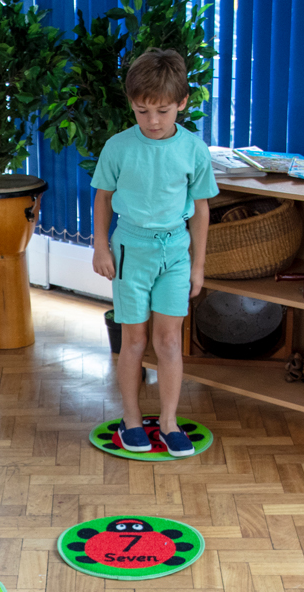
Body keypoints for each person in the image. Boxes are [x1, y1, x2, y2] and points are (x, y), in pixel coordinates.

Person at [91, 48, 218, 458]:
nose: (153, 121)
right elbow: (103, 198)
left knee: (168, 341)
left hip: (176, 253)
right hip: (131, 249)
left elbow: (200, 209)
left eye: (163, 110)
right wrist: (100, 245)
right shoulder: (118, 147)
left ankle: (167, 421)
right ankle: (131, 419)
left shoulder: (194, 150)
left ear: (182, 102)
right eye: (142, 111)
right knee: (133, 340)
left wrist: (198, 266)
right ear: (132, 103)